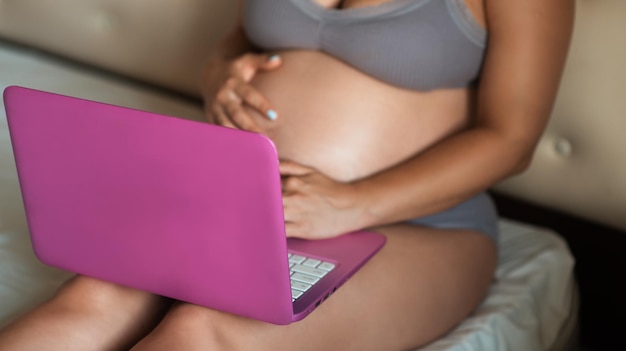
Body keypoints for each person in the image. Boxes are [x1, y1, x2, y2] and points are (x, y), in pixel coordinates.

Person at [0, 0, 574, 350]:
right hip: (241, 200)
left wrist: (353, 204)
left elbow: (511, 140)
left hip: (417, 224)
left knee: (204, 334)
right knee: (91, 301)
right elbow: (242, 39)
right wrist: (219, 74)